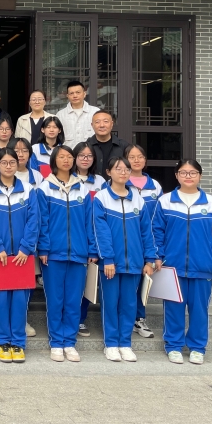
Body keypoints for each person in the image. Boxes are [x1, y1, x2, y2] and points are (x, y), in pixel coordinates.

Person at [152, 159, 212, 365]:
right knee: (173, 309)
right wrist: (157, 256)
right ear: (176, 175)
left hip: (202, 266)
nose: (188, 176)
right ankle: (173, 346)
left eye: (193, 172)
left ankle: (197, 347)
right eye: (183, 172)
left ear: (200, 176)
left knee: (199, 310)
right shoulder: (165, 201)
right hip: (172, 267)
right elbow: (156, 232)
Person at [92, 157, 157, 363]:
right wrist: (108, 259)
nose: (123, 172)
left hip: (135, 263)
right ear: (108, 172)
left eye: (126, 169)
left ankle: (125, 343)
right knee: (110, 304)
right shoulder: (101, 198)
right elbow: (100, 232)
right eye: (118, 169)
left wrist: (149, 259)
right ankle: (111, 344)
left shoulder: (137, 199)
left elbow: (146, 232)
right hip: (111, 263)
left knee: (129, 305)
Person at [36, 145, 96, 363]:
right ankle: (56, 342)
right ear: (54, 160)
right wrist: (43, 248)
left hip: (79, 253)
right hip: (53, 254)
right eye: (62, 156)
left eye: (70, 157)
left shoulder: (82, 189)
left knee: (73, 300)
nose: (67, 160)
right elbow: (42, 221)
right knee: (55, 300)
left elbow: (89, 222)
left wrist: (91, 248)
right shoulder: (45, 188)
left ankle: (69, 342)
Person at [0, 148, 39, 363]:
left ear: (18, 164)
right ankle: (3, 341)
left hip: (22, 256)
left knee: (20, 301)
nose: (8, 166)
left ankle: (18, 342)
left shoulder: (28, 189)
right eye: (4, 162)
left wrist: (26, 247)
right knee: (0, 301)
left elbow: (34, 220)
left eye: (12, 162)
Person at [125, 144, 163, 340]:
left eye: (140, 156)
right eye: (131, 157)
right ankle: (125, 319)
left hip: (148, 242)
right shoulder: (119, 181)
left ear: (145, 160)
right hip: (126, 242)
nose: (136, 160)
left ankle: (139, 319)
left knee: (143, 282)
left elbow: (159, 219)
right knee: (127, 283)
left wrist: (156, 252)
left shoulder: (155, 186)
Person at [73, 141, 108, 338]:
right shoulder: (68, 179)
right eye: (81, 155)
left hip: (97, 235)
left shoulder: (100, 181)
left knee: (89, 281)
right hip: (76, 235)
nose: (85, 159)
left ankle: (80, 319)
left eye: (89, 156)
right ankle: (71, 319)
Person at [87, 110, 129, 180]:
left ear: (112, 124)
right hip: (91, 185)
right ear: (92, 125)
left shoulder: (123, 146)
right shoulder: (86, 146)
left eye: (105, 121)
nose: (102, 125)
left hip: (117, 185)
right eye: (97, 122)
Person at [56, 81, 99, 148]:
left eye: (78, 92)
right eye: (71, 93)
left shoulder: (95, 112)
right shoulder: (60, 115)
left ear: (84, 94)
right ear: (67, 96)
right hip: (68, 153)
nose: (75, 96)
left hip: (91, 153)